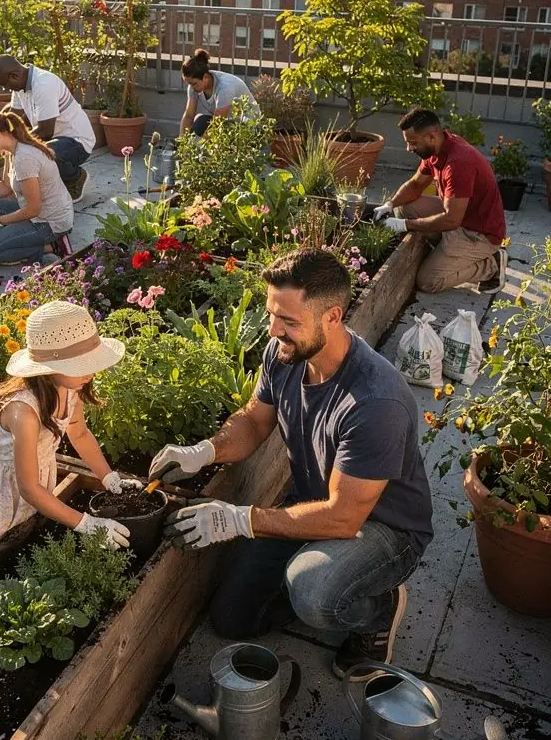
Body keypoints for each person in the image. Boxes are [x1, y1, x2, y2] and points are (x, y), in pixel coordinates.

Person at [149, 249, 433, 681]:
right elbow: (253, 420)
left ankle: (377, 606)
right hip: (315, 503)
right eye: (272, 315)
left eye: (290, 322)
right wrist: (203, 451)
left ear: (333, 317)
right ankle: (314, 567)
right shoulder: (285, 353)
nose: (274, 330)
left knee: (314, 592)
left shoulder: (375, 402)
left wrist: (239, 520)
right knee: (232, 620)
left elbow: (342, 517)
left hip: (382, 528)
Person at [0, 300, 140, 559]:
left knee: (26, 525)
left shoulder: (70, 388)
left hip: (30, 473)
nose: (91, 372)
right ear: (47, 370)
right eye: (81, 364)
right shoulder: (24, 411)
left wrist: (108, 478)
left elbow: (78, 434)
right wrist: (86, 523)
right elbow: (29, 488)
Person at [373, 108, 506, 294]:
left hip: (478, 233)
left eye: (413, 143)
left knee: (428, 281)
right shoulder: (438, 148)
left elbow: (452, 220)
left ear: (431, 136)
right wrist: (390, 204)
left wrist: (405, 225)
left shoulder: (458, 164)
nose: (409, 148)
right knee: (405, 207)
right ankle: (444, 254)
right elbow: (415, 185)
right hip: (459, 215)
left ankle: (491, 266)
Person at [0, 110, 74, 267]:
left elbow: (33, 210)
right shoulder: (13, 150)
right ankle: (13, 239)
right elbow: (6, 186)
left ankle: (53, 246)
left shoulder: (25, 158)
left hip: (49, 222)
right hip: (35, 213)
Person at [0, 54, 94, 200]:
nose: (6, 89)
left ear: (14, 75)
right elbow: (14, 117)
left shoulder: (43, 85)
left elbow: (45, 131)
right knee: (28, 151)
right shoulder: (20, 86)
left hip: (77, 141)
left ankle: (75, 177)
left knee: (39, 153)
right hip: (57, 139)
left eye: (5, 85)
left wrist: (14, 145)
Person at [179, 49, 260, 136]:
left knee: (206, 128)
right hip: (228, 122)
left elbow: (216, 125)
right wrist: (181, 144)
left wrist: (199, 148)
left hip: (248, 127)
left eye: (194, 84)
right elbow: (189, 116)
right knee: (200, 122)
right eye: (189, 83)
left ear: (205, 77)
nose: (191, 87)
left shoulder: (225, 88)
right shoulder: (194, 86)